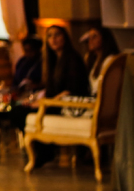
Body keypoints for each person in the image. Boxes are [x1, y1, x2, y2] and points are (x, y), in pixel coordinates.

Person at [8, 24, 90, 166]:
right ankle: (44, 149)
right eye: (50, 36)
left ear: (65, 37)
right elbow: (51, 89)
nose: (53, 39)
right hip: (55, 101)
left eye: (57, 35)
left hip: (68, 103)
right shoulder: (52, 60)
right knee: (16, 108)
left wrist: (46, 103)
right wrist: (37, 100)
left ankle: (45, 151)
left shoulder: (72, 58)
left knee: (20, 112)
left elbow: (72, 89)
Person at [82, 27, 120, 96]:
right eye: (89, 37)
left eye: (94, 36)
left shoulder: (110, 60)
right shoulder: (93, 59)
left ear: (104, 38)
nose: (90, 40)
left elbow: (102, 84)